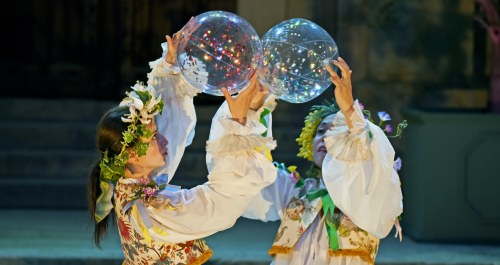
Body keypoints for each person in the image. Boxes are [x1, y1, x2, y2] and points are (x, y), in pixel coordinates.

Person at [87, 26, 277, 264]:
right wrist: (239, 124)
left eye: (157, 133)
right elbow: (220, 204)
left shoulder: (136, 188)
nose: (164, 138)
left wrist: (171, 68)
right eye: (154, 137)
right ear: (132, 154)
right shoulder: (150, 208)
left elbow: (170, 122)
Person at [209, 57, 403, 264]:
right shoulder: (293, 190)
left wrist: (349, 112)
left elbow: (371, 157)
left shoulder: (369, 192)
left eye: (337, 133)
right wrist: (249, 113)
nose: (326, 139)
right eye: (320, 132)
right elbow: (244, 173)